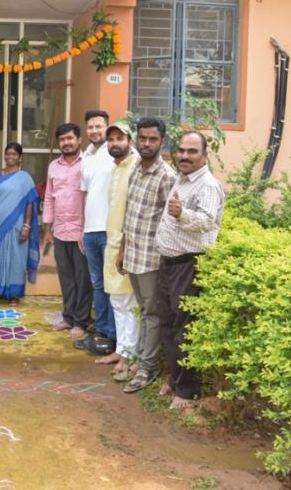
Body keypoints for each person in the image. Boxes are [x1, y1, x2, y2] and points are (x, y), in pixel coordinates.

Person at [155, 131, 225, 410]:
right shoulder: (180, 180)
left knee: (186, 328)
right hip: (169, 264)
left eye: (192, 151)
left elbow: (207, 222)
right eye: (181, 150)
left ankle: (188, 391)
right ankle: (175, 379)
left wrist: (181, 214)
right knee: (169, 325)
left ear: (205, 156)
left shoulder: (207, 185)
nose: (184, 155)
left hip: (189, 265)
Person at [117, 117, 176, 394]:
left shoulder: (167, 177)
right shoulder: (136, 170)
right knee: (143, 311)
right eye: (142, 138)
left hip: (152, 260)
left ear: (162, 141)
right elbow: (131, 215)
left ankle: (147, 367)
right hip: (134, 255)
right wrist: (122, 250)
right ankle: (141, 358)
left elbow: (172, 222)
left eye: (153, 139)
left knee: (152, 314)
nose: (147, 143)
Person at [42, 123, 92, 340]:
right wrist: (47, 229)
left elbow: (92, 198)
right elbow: (49, 198)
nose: (66, 143)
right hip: (60, 230)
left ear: (79, 140)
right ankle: (68, 316)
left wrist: (86, 229)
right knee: (66, 277)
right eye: (62, 139)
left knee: (83, 278)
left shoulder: (88, 164)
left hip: (82, 231)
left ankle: (81, 321)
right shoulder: (54, 166)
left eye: (70, 138)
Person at [98, 122, 140, 380]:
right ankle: (122, 350)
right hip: (112, 242)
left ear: (130, 141)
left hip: (128, 246)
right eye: (111, 139)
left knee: (129, 302)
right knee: (117, 299)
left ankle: (130, 355)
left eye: (119, 138)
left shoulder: (135, 167)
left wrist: (125, 245)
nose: (115, 143)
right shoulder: (116, 169)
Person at [75, 109, 116, 356]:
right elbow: (86, 195)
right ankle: (99, 331)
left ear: (107, 127)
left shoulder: (117, 153)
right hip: (90, 231)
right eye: (90, 127)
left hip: (109, 230)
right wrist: (82, 229)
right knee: (98, 285)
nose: (94, 131)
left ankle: (112, 335)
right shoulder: (87, 157)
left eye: (99, 126)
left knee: (112, 285)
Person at [0, 142, 39, 305]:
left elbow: (29, 203)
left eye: (14, 154)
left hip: (17, 223)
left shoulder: (25, 178)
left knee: (16, 256)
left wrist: (27, 226)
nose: (10, 157)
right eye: (8, 154)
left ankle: (14, 294)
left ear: (20, 158)